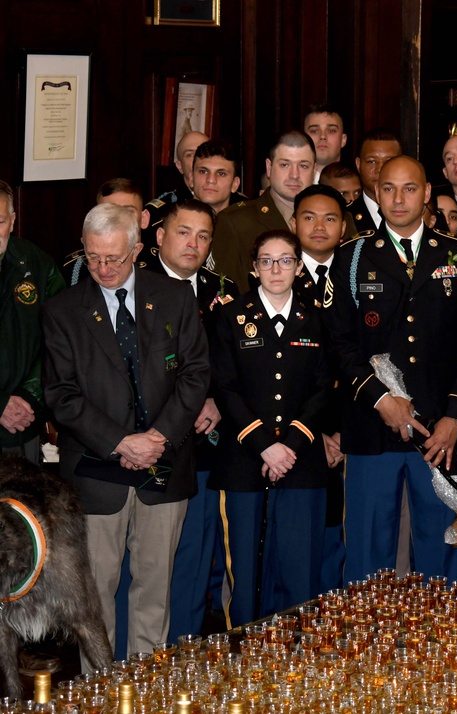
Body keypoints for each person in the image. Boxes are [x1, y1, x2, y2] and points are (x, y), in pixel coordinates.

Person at [42, 203, 210, 666]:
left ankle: (144, 685)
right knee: (94, 591)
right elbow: (61, 396)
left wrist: (158, 436)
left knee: (155, 588)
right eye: (93, 257)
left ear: (137, 249)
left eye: (114, 258)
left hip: (165, 463)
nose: (103, 268)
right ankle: (98, 689)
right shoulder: (63, 311)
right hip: (97, 472)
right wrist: (121, 442)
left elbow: (195, 374)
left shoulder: (174, 297)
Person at [328, 155, 457, 583]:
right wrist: (381, 399)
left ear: (427, 194)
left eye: (410, 188)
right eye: (388, 188)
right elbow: (338, 342)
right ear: (376, 194)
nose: (399, 199)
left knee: (441, 551)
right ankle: (365, 645)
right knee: (366, 553)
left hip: (440, 432)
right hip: (371, 426)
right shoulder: (351, 257)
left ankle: (440, 645)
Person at [209, 229, 333, 627]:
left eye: (285, 260)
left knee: (300, 572)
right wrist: (265, 445)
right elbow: (224, 387)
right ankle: (244, 659)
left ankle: (297, 663)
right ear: (253, 267)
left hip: (302, 462)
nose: (275, 268)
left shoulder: (317, 316)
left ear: (299, 266)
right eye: (266, 260)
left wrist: (290, 444)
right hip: (245, 460)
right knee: (246, 574)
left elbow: (324, 387)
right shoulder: (230, 315)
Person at [143, 199, 236, 640]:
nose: (192, 244)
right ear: (160, 236)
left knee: (196, 556)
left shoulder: (227, 290)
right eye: (183, 232)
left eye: (203, 236)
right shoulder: (134, 287)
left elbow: (238, 363)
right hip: (147, 443)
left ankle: (183, 650)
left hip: (205, 446)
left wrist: (216, 398)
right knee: (145, 562)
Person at [0, 179, 66, 462]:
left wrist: (29, 396)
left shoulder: (38, 265)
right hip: (10, 413)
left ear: (13, 221)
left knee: (20, 505)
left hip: (21, 423)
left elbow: (60, 341)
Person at [211, 131, 316, 292]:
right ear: (269, 167)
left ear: (314, 170)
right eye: (285, 165)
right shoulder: (235, 222)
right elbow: (225, 293)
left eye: (303, 166)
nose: (294, 175)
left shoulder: (337, 219)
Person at [64, 180, 152, 286]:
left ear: (144, 219)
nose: (117, 220)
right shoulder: (76, 270)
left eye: (128, 212)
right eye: (107, 212)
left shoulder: (160, 263)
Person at [351, 128, 403, 237]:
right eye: (372, 161)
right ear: (358, 164)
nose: (379, 169)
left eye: (389, 161)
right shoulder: (345, 215)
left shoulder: (419, 214)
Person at [304, 103, 348, 177]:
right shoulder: (289, 185)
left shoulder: (355, 185)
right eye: (314, 131)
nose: (323, 136)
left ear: (343, 140)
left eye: (331, 131)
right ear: (303, 139)